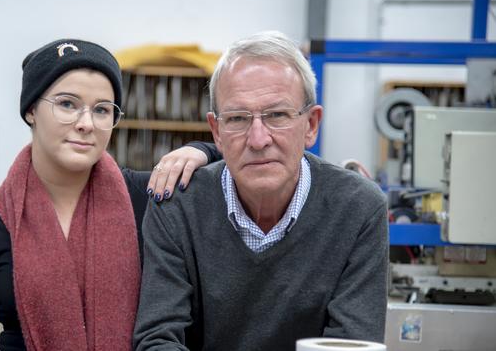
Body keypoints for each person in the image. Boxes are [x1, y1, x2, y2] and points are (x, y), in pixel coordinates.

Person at [0, 38, 218, 351]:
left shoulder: (148, 197)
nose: (86, 124)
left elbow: (245, 161)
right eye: (67, 104)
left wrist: (201, 150)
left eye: (102, 110)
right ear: (31, 109)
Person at [133, 31, 389, 351]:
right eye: (238, 118)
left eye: (277, 115)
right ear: (217, 132)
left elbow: (351, 344)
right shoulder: (177, 206)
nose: (258, 139)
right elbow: (157, 339)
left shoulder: (358, 209)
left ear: (311, 125)